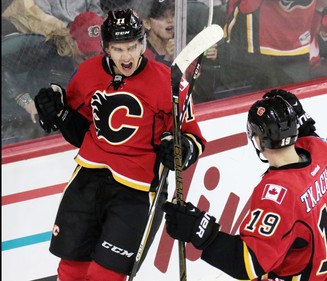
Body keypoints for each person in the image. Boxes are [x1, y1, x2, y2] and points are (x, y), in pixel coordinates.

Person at [33, 8, 206, 280]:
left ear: (143, 42)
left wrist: (182, 149)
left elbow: (194, 138)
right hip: (87, 180)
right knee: (71, 270)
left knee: (106, 275)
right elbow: (80, 133)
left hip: (136, 190)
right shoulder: (88, 73)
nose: (127, 56)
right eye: (118, 48)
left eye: (133, 46)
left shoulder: (169, 82)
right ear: (105, 47)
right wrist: (59, 113)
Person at [162, 89, 327, 280]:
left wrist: (198, 230)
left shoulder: (279, 193)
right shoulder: (321, 151)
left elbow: (248, 262)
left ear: (258, 141)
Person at [1, 11, 104, 145]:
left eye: (97, 49)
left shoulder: (106, 60)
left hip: (76, 126)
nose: (93, 54)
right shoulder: (46, 52)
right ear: (71, 39)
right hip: (36, 126)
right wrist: (25, 100)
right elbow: (3, 64)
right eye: (88, 49)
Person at [220, 0, 327, 93]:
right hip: (294, 48)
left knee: (267, 105)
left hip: (266, 48)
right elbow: (324, 9)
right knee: (293, 102)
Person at [143, 0, 220, 103]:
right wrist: (167, 60)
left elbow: (206, 92)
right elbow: (153, 94)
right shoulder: (140, 53)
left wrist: (207, 60)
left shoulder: (186, 45)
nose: (170, 20)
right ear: (147, 23)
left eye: (173, 14)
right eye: (161, 17)